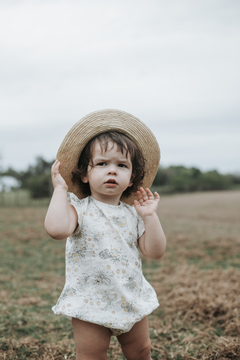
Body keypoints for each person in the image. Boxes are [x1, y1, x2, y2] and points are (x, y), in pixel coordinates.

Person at [44, 109, 166, 360]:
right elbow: (56, 230)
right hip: (90, 301)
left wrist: (150, 217)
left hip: (130, 295)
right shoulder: (79, 209)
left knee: (142, 351)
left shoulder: (133, 213)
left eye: (121, 165)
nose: (112, 171)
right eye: (102, 164)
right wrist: (59, 190)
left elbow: (155, 252)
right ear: (85, 174)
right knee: (92, 355)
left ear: (132, 177)